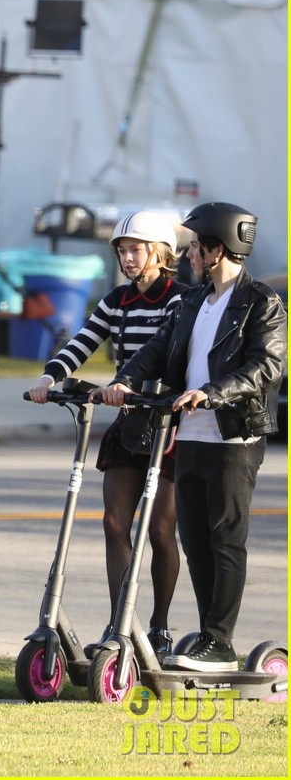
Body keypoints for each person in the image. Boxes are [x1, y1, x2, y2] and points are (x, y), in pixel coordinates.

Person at [96, 202, 286, 671]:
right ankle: (208, 638)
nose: (191, 255)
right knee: (195, 539)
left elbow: (267, 365)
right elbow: (160, 349)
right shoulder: (194, 301)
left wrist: (213, 393)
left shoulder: (261, 301)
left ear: (216, 249)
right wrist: (127, 380)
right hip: (192, 434)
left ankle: (220, 640)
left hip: (233, 436)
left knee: (224, 538)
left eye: (197, 248)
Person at [27, 211, 188, 658]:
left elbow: (165, 354)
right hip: (127, 417)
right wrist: (51, 376)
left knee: (160, 529)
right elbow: (84, 340)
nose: (128, 257)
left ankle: (157, 627)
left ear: (160, 253)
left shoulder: (181, 299)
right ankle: (123, 621)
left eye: (136, 249)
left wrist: (130, 384)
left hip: (169, 420)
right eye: (122, 250)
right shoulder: (117, 299)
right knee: (114, 522)